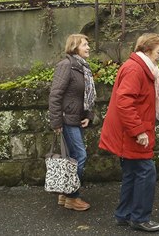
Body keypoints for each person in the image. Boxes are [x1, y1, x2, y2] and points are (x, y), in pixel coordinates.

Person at [98, 33, 159, 232]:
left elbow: (137, 99)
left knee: (132, 173)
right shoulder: (136, 69)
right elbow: (125, 103)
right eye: (158, 51)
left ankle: (124, 214)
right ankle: (139, 218)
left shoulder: (138, 67)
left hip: (128, 131)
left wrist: (157, 105)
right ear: (147, 50)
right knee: (146, 172)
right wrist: (139, 131)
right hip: (132, 133)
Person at [48, 34, 96, 211]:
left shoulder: (82, 67)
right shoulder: (66, 66)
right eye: (85, 44)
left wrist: (88, 115)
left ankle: (64, 193)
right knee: (80, 156)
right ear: (75, 47)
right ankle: (72, 197)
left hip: (76, 119)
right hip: (67, 119)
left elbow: (84, 97)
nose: (88, 47)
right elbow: (55, 95)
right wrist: (56, 123)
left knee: (72, 158)